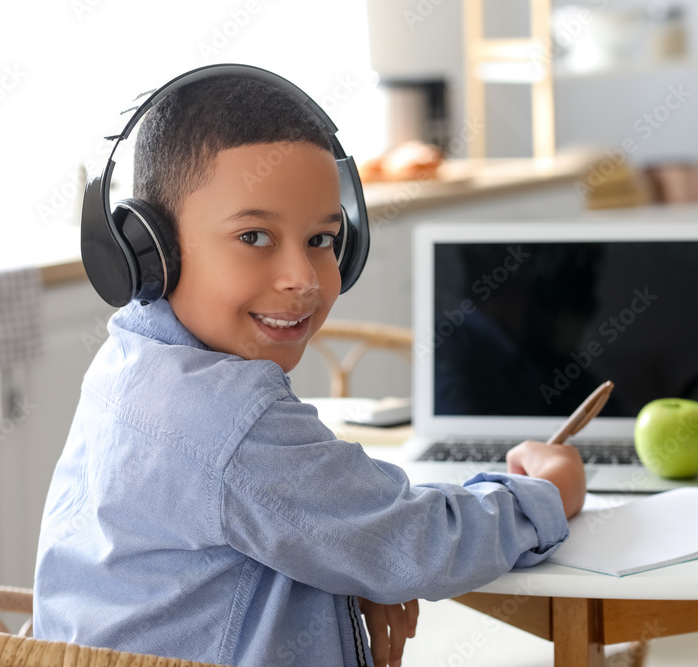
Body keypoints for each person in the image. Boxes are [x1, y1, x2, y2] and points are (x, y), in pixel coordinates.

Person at [33, 70, 586, 667]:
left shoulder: (128, 358)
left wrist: (353, 572)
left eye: (322, 239)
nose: (302, 276)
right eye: (254, 235)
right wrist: (545, 494)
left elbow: (314, 523)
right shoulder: (233, 421)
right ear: (150, 252)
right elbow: (414, 542)